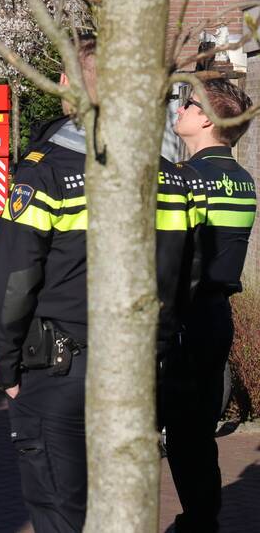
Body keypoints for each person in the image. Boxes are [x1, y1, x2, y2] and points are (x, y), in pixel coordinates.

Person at [0, 39, 193, 532]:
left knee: (60, 510)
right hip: (138, 368)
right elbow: (187, 274)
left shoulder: (47, 173)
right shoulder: (170, 177)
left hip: (60, 370)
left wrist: (6, 366)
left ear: (66, 84)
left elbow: (13, 281)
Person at [164, 77, 255, 533]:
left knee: (173, 431)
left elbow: (171, 258)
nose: (180, 109)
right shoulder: (244, 181)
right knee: (197, 430)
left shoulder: (186, 179)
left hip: (181, 315)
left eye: (188, 103)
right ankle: (203, 520)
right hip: (218, 316)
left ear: (205, 118)